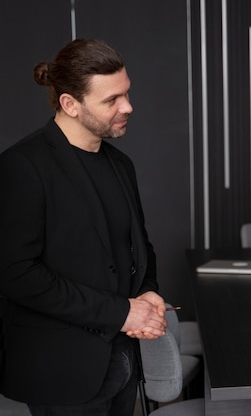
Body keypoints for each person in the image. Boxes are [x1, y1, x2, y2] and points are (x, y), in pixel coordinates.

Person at [0, 38, 167, 416]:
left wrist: (148, 290)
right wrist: (122, 312)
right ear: (70, 104)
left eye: (126, 93)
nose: (128, 107)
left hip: (122, 361)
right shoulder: (22, 167)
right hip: (61, 369)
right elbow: (15, 275)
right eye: (112, 100)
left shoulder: (121, 164)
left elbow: (138, 247)